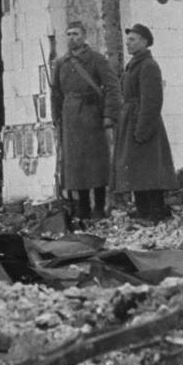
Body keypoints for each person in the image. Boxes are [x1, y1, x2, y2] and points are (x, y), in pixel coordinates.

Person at [49, 21, 121, 226]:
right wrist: (57, 119)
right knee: (75, 165)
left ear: (84, 35)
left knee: (96, 164)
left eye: (76, 34)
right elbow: (56, 94)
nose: (72, 38)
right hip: (70, 119)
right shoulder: (61, 63)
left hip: (92, 116)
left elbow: (113, 87)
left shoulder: (97, 60)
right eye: (69, 34)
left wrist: (109, 115)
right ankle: (82, 208)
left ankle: (99, 207)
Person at [113, 23, 177, 223]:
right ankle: (143, 209)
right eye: (128, 39)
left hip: (143, 121)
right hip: (131, 119)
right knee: (135, 167)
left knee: (149, 169)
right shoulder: (134, 64)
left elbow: (152, 101)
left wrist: (143, 129)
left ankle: (156, 210)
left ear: (145, 42)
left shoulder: (148, 65)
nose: (128, 43)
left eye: (133, 39)